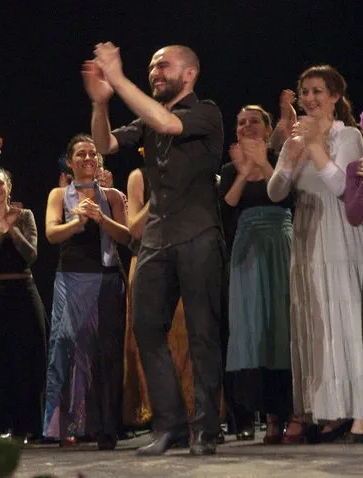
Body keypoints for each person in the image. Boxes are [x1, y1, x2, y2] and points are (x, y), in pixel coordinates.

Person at [83, 43, 225, 455]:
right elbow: (105, 143)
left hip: (198, 235)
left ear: (190, 74)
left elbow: (166, 123)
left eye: (164, 65)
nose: (155, 72)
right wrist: (100, 104)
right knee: (146, 329)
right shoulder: (146, 117)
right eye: (150, 67)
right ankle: (170, 426)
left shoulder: (207, 111)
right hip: (156, 239)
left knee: (202, 334)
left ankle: (205, 430)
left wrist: (121, 78)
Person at [268, 65, 363, 444]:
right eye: (305, 91)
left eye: (318, 91)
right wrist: (289, 160)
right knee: (316, 320)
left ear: (335, 96)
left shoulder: (349, 135)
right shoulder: (295, 139)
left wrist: (315, 147)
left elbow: (342, 185)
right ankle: (329, 410)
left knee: (346, 317)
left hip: (338, 229)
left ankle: (359, 409)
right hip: (306, 229)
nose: (309, 98)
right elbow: (276, 193)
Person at [42, 134, 130, 450]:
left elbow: (127, 236)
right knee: (67, 346)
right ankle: (67, 426)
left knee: (106, 353)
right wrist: (77, 219)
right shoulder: (58, 195)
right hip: (72, 276)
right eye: (81, 154)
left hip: (107, 277)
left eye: (93, 154)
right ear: (70, 161)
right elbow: (52, 234)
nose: (88, 159)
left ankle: (106, 427)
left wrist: (100, 218)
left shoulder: (114, 196)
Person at [220, 105, 294, 444]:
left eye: (254, 121)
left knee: (281, 326)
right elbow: (229, 204)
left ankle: (286, 414)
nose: (246, 126)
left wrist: (262, 161)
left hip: (279, 245)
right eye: (240, 122)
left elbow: (286, 195)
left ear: (267, 128)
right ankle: (262, 414)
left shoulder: (284, 157)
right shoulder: (227, 167)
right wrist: (243, 169)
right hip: (246, 249)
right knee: (253, 328)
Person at [0, 167, 47, 440]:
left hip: (24, 289)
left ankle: (29, 428)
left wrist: (11, 229)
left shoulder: (25, 216)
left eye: (0, 183)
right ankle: (0, 426)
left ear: (9, 188)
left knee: (30, 357)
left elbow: (31, 255)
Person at [122, 166, 195, 428]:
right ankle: (163, 416)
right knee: (151, 338)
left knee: (187, 340)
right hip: (149, 259)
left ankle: (194, 414)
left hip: (184, 259)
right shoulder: (139, 176)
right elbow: (135, 229)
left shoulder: (188, 170)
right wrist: (159, 196)